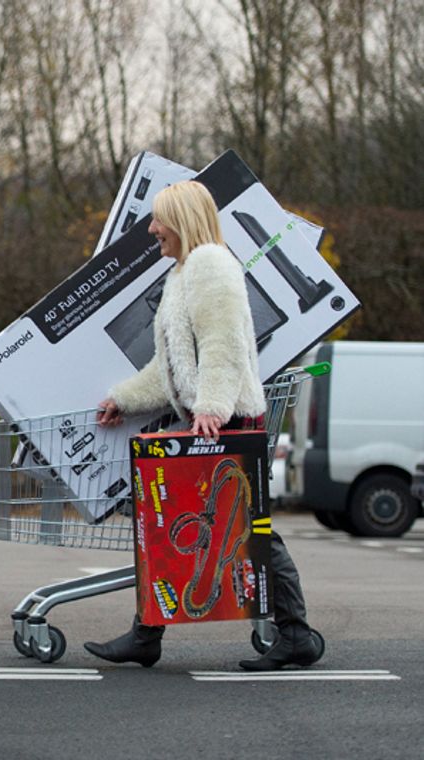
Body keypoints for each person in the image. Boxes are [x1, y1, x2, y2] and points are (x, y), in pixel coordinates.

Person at [84, 180, 323, 671]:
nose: (152, 229)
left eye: (159, 220)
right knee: (169, 524)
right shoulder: (182, 273)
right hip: (209, 421)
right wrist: (124, 400)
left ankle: (297, 635)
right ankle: (146, 634)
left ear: (184, 220)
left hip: (226, 421)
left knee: (251, 532)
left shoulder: (211, 265)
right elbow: (169, 366)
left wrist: (211, 407)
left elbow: (224, 345)